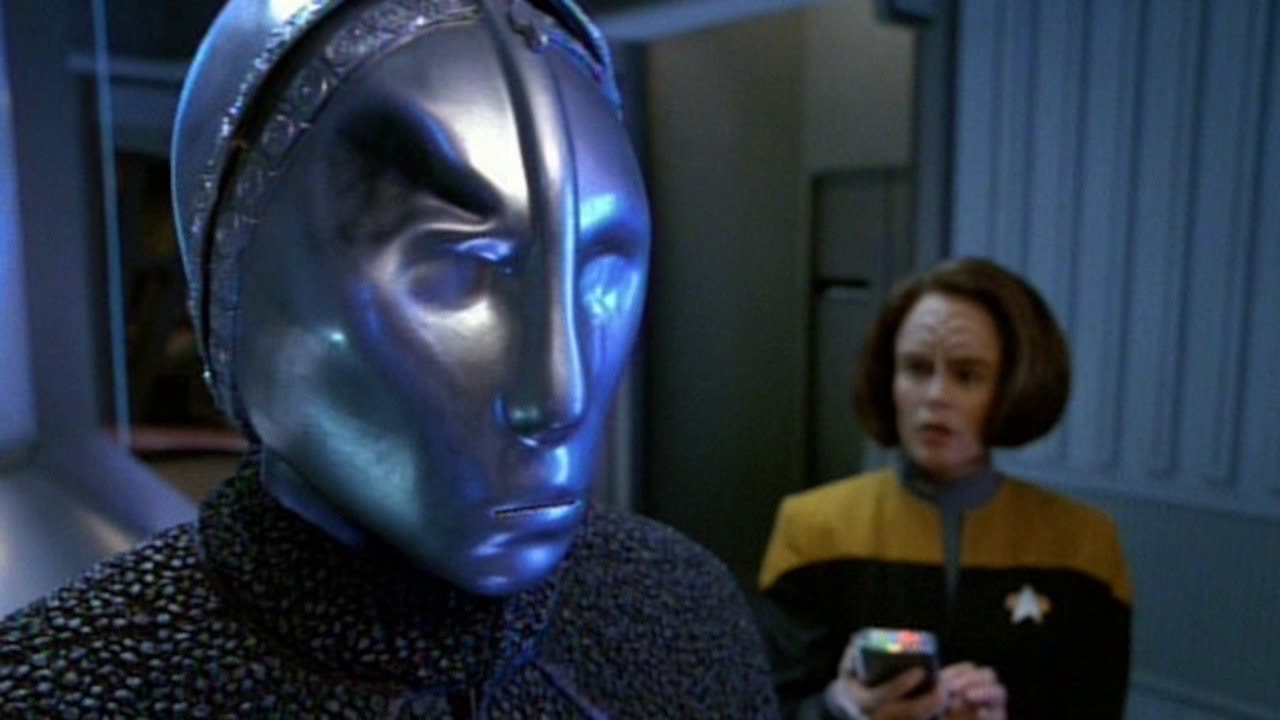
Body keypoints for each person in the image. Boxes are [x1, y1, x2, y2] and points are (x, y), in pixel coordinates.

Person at [0, 0, 779, 716]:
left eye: (600, 274)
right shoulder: (64, 692)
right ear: (249, 299)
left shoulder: (682, 614)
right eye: (454, 273)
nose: (557, 396)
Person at [757, 258, 1131, 719]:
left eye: (967, 375)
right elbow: (768, 706)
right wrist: (840, 708)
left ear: (1013, 386)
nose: (935, 395)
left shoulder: (1085, 545)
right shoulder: (814, 528)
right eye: (916, 368)